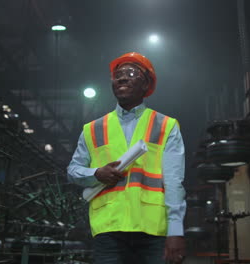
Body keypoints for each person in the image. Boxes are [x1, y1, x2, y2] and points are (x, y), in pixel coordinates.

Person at [67, 52, 186, 264]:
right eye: (117, 75)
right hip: (108, 228)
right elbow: (73, 170)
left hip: (152, 230)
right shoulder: (92, 129)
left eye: (131, 73)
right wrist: (96, 173)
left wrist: (175, 230)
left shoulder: (166, 126)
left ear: (146, 84)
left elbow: (174, 182)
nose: (122, 78)